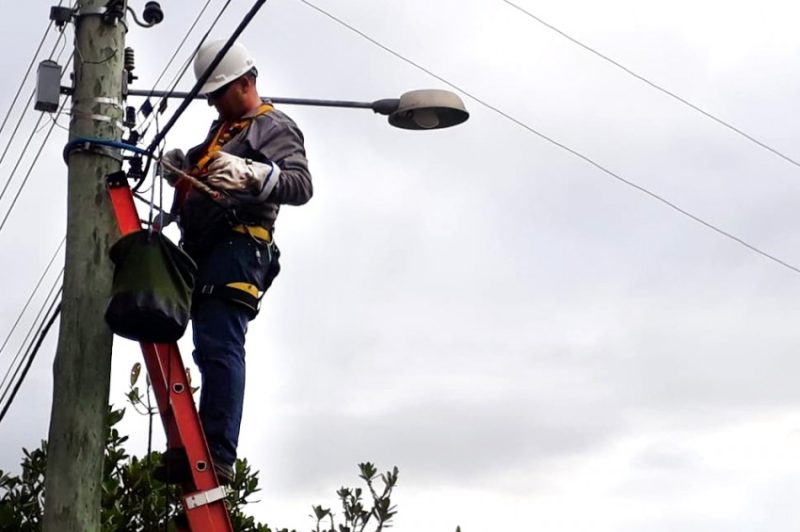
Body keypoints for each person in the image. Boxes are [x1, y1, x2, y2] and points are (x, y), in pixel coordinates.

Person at [157, 39, 312, 485]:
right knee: (197, 343)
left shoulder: (273, 126)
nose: (213, 103)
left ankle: (217, 455)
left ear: (246, 82)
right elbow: (206, 171)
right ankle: (190, 445)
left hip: (239, 246)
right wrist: (183, 167)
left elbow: (301, 185)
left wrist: (255, 174)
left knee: (220, 346)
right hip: (202, 247)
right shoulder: (222, 130)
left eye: (219, 93)